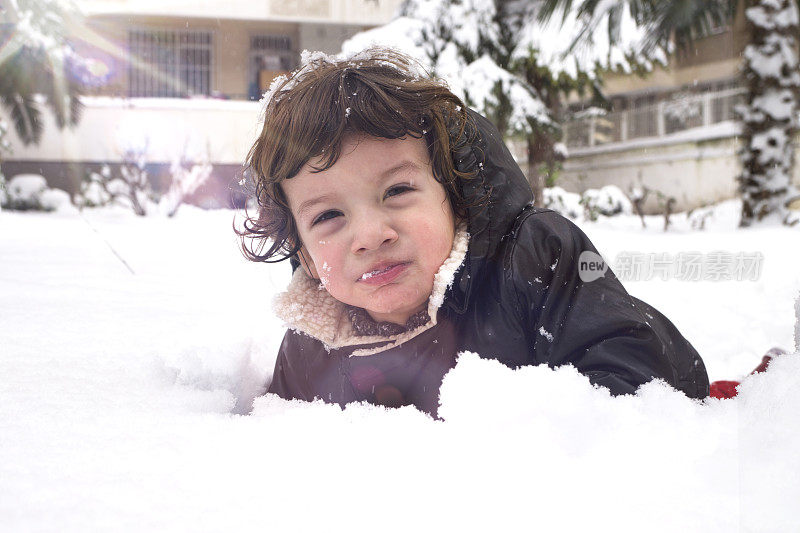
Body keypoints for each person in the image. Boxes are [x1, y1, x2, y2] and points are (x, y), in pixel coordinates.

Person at [239, 48, 710, 417]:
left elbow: (643, 378)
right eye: (327, 217)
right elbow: (286, 444)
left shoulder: (532, 259)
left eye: (398, 190)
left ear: (452, 192)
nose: (370, 234)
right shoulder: (315, 339)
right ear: (301, 250)